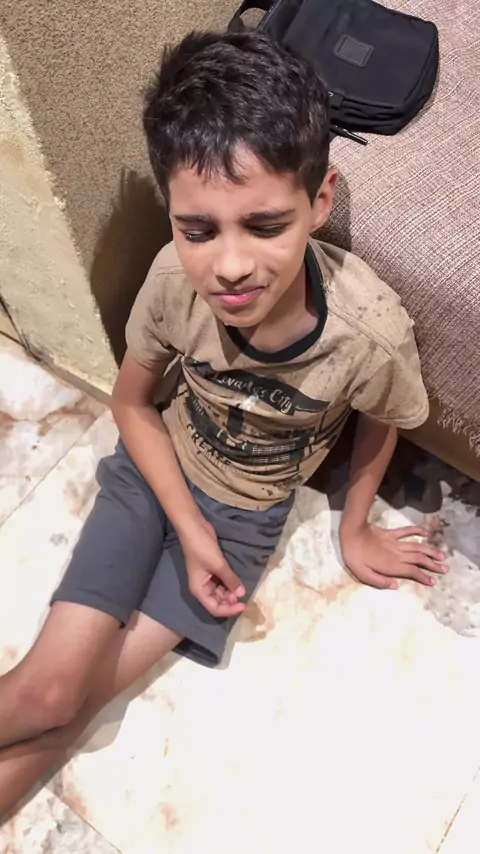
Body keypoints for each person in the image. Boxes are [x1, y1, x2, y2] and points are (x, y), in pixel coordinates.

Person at [0, 30, 447, 817]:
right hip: (154, 473)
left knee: (69, 715)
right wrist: (187, 525)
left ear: (320, 200)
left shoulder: (367, 332)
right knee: (48, 694)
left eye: (264, 225)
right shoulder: (172, 283)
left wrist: (353, 530)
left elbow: (384, 417)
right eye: (198, 229)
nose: (230, 266)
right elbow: (133, 404)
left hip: (246, 521)